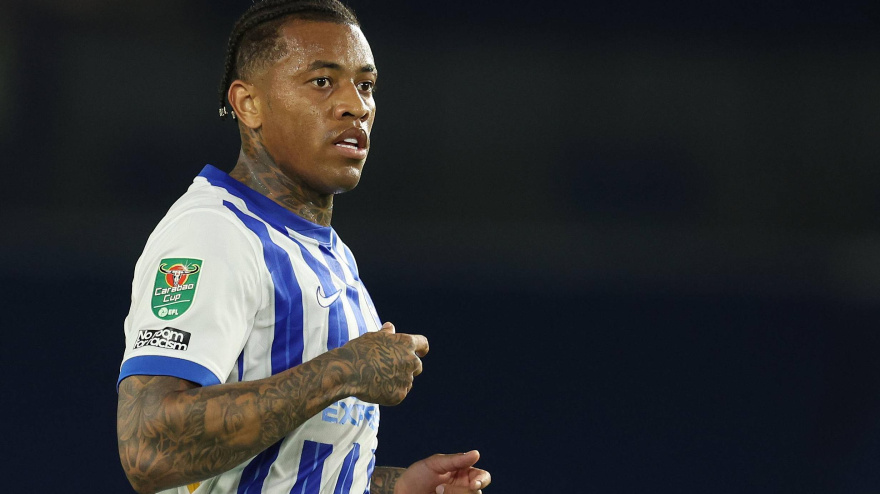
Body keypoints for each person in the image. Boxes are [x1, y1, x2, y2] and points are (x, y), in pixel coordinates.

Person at [115, 1, 492, 493]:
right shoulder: (215, 233)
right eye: (322, 82)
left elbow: (276, 469)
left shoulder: (324, 250)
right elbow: (149, 449)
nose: (355, 105)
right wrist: (342, 372)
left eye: (366, 85)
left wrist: (391, 488)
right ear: (249, 104)